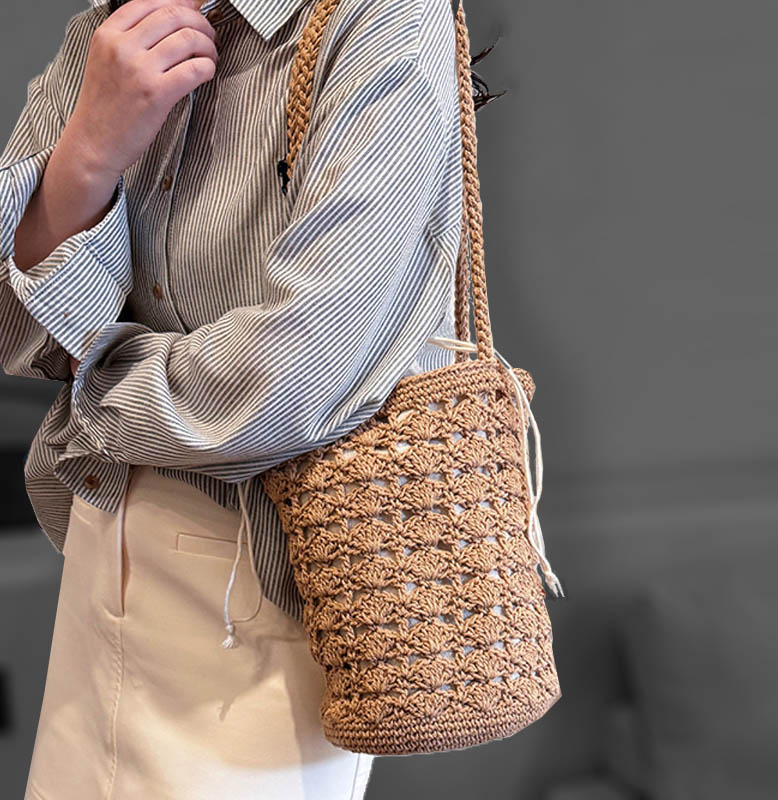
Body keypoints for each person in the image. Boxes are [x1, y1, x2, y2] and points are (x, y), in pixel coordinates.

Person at [0, 0, 470, 796]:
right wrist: (87, 156)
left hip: (268, 598)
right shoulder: (111, 26)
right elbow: (17, 328)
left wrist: (96, 382)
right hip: (101, 559)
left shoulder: (383, 18)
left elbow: (291, 377)